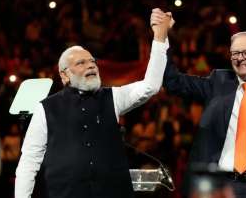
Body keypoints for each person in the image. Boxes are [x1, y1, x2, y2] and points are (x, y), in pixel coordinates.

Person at [151, 8, 246, 198]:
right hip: (216, 188)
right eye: (235, 53)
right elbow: (173, 81)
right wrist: (162, 35)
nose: (240, 58)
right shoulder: (218, 83)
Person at [15, 13, 174, 198]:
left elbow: (151, 86)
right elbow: (29, 161)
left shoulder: (114, 97)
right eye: (81, 63)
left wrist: (160, 37)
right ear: (65, 75)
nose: (91, 65)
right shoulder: (46, 108)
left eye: (92, 61)